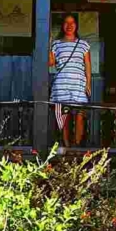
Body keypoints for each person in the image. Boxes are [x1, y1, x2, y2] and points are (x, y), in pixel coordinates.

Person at [48, 14, 92, 144]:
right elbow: (50, 63)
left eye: (72, 22)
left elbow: (88, 67)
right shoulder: (56, 44)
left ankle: (77, 146)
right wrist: (48, 45)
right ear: (62, 26)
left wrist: (88, 84)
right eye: (66, 22)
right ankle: (67, 145)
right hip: (61, 85)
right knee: (64, 117)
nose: (69, 25)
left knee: (79, 116)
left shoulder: (84, 44)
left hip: (79, 85)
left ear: (76, 25)